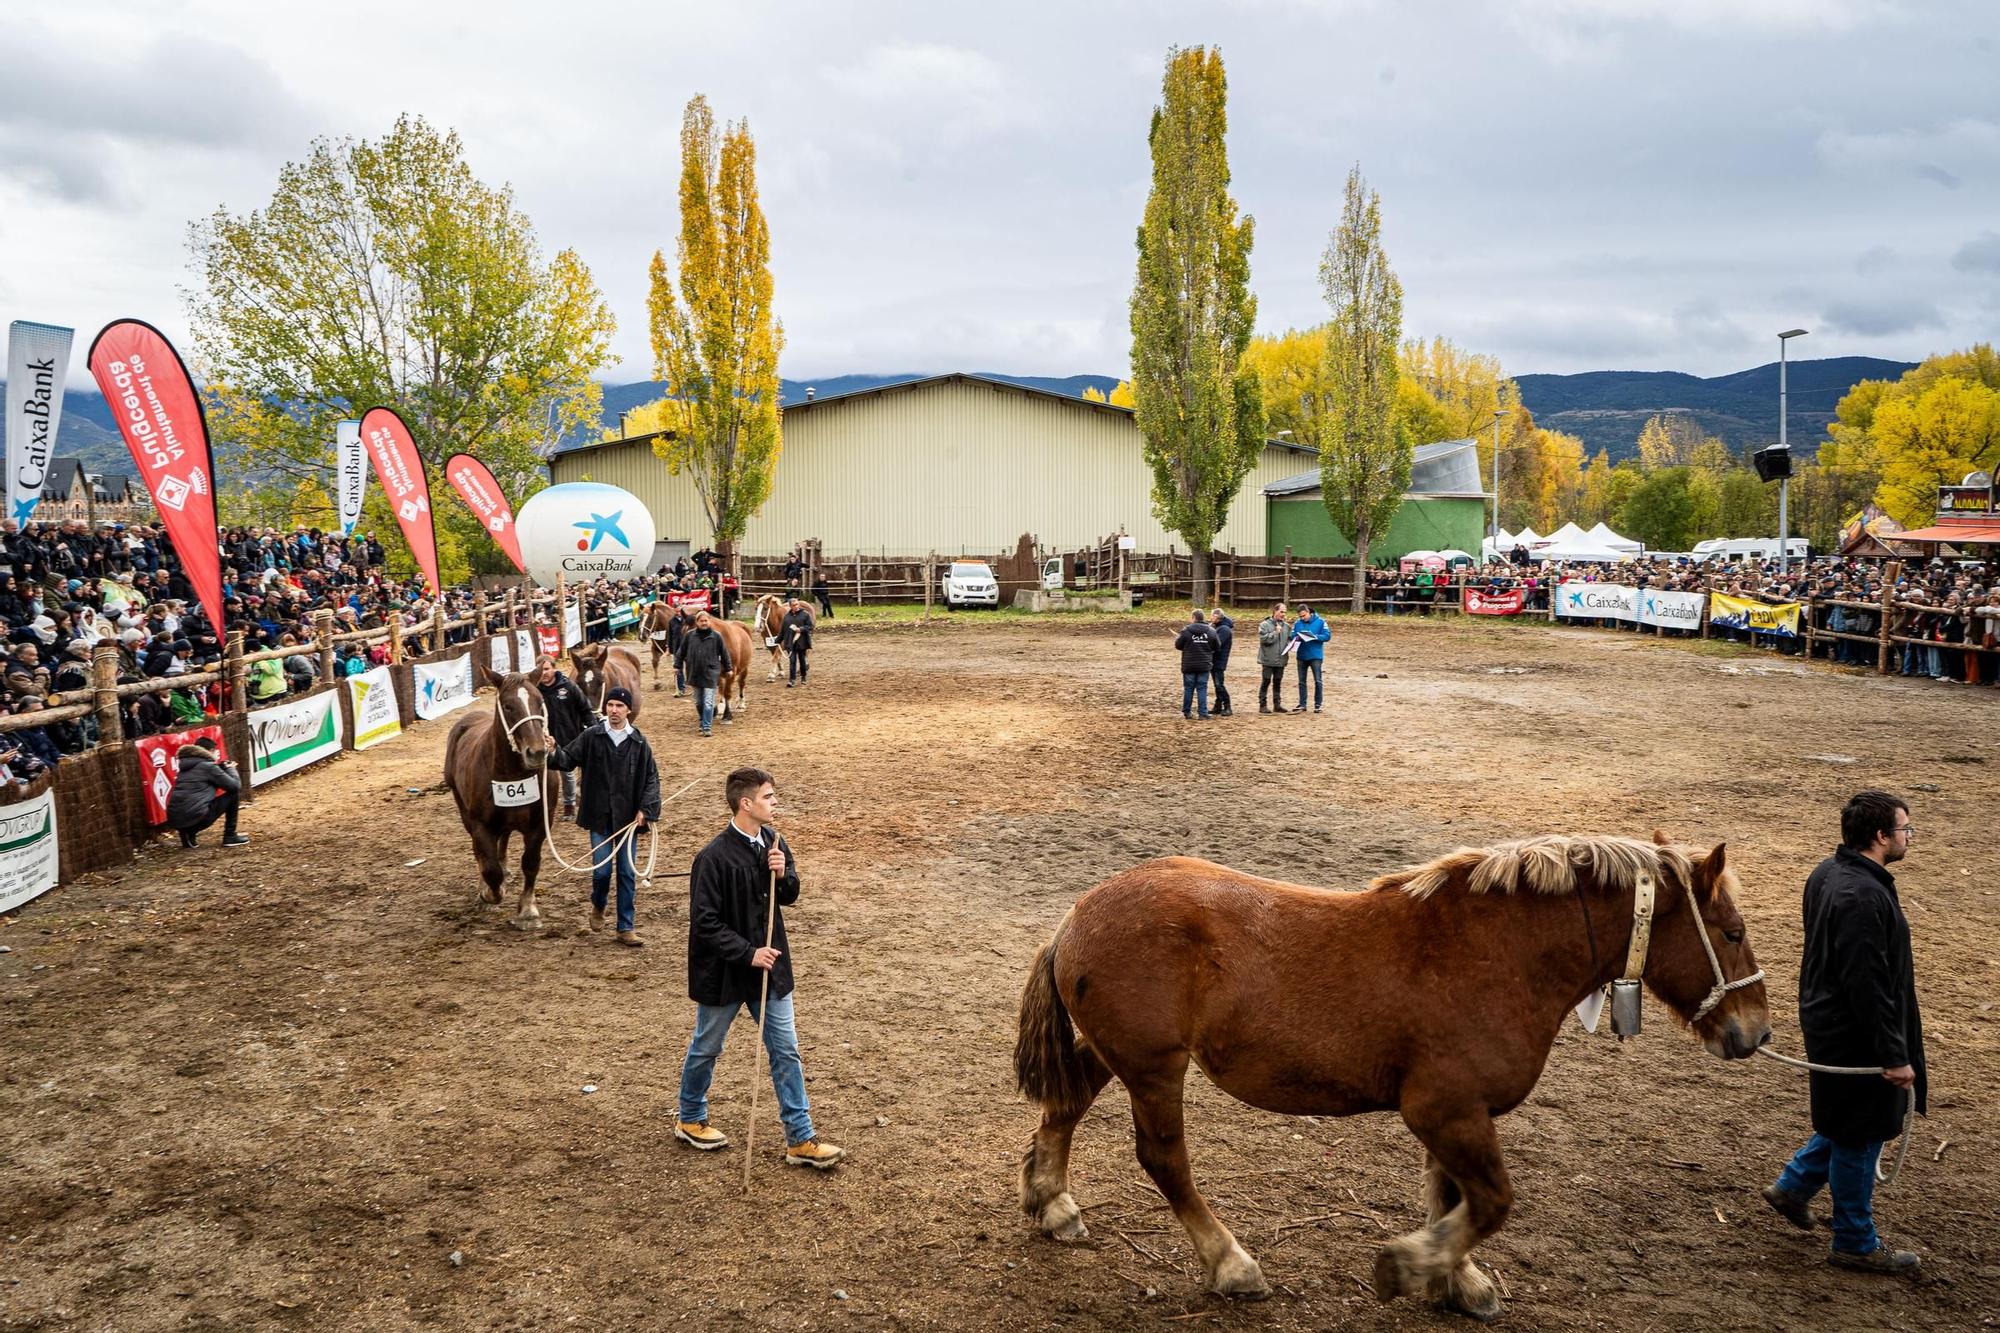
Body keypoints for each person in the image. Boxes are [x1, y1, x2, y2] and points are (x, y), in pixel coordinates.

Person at [1763, 790, 1926, 1275]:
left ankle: (1792, 1188)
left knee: (1846, 1118)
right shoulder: (1861, 895)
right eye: (1905, 830)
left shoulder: (1829, 872)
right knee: (1862, 1131)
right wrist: (1893, 1054)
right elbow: (1867, 985)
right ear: (1880, 836)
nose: (1909, 838)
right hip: (1855, 1034)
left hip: (1832, 1021)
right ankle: (1854, 1239)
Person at [673, 767, 845, 1170]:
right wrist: (748, 952)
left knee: (786, 1051)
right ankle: (691, 1117)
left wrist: (784, 873)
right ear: (746, 803)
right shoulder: (712, 858)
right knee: (707, 1047)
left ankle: (800, 1139)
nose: (774, 802)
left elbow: (789, 896)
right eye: (768, 797)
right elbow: (705, 922)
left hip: (770, 971)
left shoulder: (774, 842)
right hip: (727, 973)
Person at [546, 686, 661, 947]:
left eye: (620, 706)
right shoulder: (591, 736)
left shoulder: (640, 743)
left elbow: (652, 779)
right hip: (598, 816)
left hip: (628, 821)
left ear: (629, 710)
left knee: (626, 873)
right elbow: (567, 759)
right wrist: (553, 751)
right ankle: (598, 905)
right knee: (601, 872)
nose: (614, 710)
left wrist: (646, 809)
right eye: (610, 705)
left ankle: (625, 927)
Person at [533, 654, 597, 818]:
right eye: (540, 670)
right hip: (543, 739)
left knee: (567, 773)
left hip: (568, 738)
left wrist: (594, 730)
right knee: (541, 774)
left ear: (554, 668)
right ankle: (542, 806)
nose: (544, 673)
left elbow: (585, 709)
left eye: (547, 669)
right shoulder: (534, 691)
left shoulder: (569, 687)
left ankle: (569, 805)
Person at [166, 737, 248, 848]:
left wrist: (221, 768)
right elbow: (234, 786)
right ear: (209, 752)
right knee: (233, 794)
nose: (217, 752)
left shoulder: (185, 767)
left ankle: (187, 834)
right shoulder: (207, 766)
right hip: (197, 819)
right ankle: (230, 836)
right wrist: (230, 768)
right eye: (215, 750)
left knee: (191, 804)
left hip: (176, 820)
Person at [674, 609, 729, 738]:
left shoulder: (716, 636)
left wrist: (728, 668)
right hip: (695, 672)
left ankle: (706, 727)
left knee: (708, 702)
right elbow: (681, 652)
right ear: (697, 622)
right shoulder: (689, 636)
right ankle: (702, 719)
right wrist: (677, 666)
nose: (704, 623)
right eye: (701, 621)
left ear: (709, 621)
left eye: (706, 620)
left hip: (711, 672)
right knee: (699, 702)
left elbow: (724, 653)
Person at [1171, 608, 1218, 720]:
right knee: (1202, 688)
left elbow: (1178, 645)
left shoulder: (1186, 631)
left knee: (1189, 688)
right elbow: (1217, 646)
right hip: (1204, 664)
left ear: (1193, 618)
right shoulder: (1211, 631)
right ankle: (1203, 713)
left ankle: (1187, 712)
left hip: (1189, 664)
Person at [1291, 602, 1331, 713]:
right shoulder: (1297, 623)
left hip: (1315, 655)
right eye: (1300, 616)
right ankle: (1302, 704)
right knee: (1301, 681)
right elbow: (1292, 635)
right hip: (1301, 655)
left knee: (1318, 680)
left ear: (1309, 612)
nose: (1302, 618)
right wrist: (1296, 637)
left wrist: (1314, 637)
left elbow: (1327, 636)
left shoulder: (1321, 622)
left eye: (1304, 616)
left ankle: (1318, 705)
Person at [1256, 602, 1290, 714]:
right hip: (1268, 659)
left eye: (1285, 612)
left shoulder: (1287, 626)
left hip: (1281, 660)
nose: (1283, 614)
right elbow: (1264, 640)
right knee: (1266, 681)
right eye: (1281, 612)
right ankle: (1262, 705)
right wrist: (1276, 633)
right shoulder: (1264, 625)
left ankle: (1277, 705)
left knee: (1277, 682)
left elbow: (1289, 640)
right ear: (1275, 611)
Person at [780, 598, 815, 687]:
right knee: (792, 661)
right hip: (790, 642)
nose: (796, 606)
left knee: (802, 660)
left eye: (797, 604)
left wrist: (800, 629)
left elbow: (810, 627)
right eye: (794, 605)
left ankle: (803, 676)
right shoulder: (787, 617)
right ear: (790, 606)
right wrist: (777, 641)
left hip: (802, 642)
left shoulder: (805, 615)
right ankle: (792, 680)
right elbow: (782, 630)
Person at [1207, 607, 1234, 717]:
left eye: (1212, 616)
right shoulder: (1219, 627)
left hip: (1219, 661)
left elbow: (1217, 644)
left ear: (1217, 617)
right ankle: (1218, 706)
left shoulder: (1224, 630)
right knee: (1217, 684)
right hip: (1215, 660)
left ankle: (1227, 706)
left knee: (1219, 684)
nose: (1210, 618)